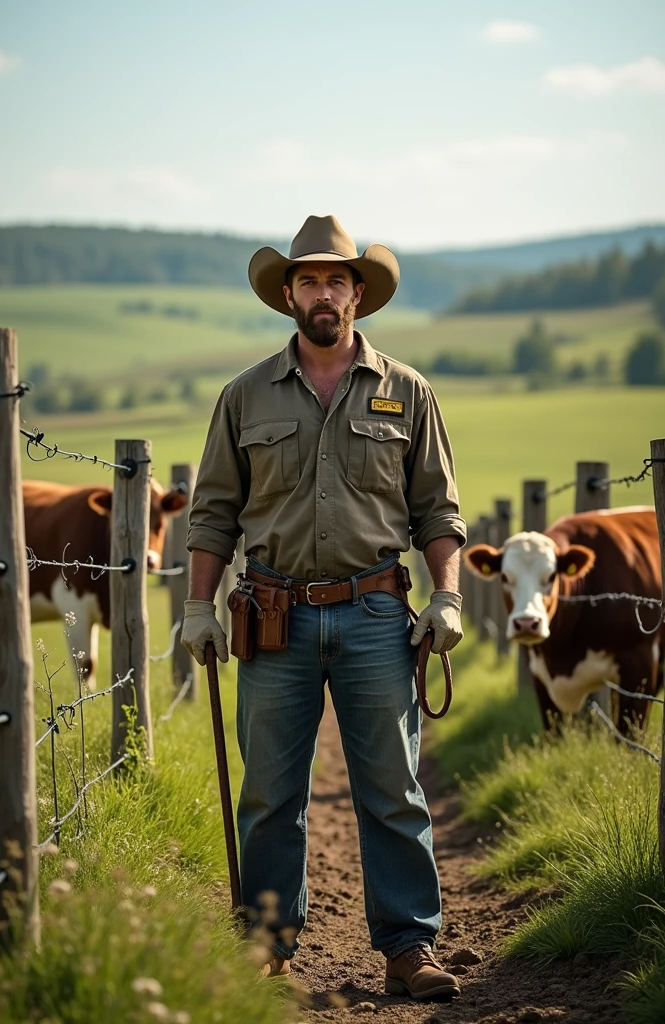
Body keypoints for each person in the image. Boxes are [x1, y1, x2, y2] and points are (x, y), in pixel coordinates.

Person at [181, 215, 466, 1002]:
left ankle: (410, 948)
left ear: (359, 294)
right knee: (271, 791)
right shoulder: (244, 396)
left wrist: (446, 596)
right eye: (308, 279)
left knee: (395, 789)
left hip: (378, 614)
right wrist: (198, 608)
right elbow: (212, 514)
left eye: (336, 279)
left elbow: (438, 512)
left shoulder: (408, 392)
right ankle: (266, 945)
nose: (323, 291)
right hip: (272, 615)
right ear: (287, 294)